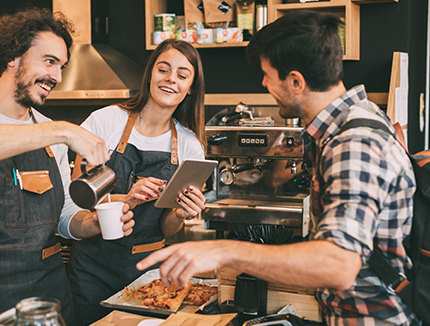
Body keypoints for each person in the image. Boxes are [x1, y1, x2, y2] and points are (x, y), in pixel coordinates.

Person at [137, 10, 420, 326]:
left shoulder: (354, 143)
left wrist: (224, 251)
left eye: (268, 74)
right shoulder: (350, 123)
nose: (263, 83)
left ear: (296, 82)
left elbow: (337, 264)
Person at [0, 7, 134, 325]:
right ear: (13, 55)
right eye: (49, 61)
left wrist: (90, 224)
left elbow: (64, 216)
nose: (56, 77)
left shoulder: (47, 129)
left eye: (62, 66)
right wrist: (65, 130)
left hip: (52, 292)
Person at [66, 39, 207, 325]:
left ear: (191, 87)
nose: (170, 80)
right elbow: (74, 199)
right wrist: (125, 198)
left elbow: (167, 226)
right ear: (150, 74)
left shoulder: (191, 147)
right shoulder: (104, 122)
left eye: (182, 75)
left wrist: (180, 213)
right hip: (91, 268)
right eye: (163, 70)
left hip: (148, 273)